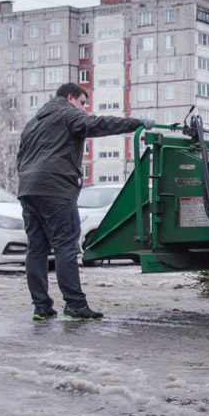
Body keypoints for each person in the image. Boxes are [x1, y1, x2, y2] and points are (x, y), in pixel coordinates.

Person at [17, 82, 154, 320]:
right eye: (82, 103)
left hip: (28, 189)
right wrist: (135, 123)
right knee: (66, 246)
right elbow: (96, 124)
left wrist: (31, 179)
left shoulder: (33, 123)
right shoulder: (67, 113)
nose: (83, 110)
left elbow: (21, 157)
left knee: (36, 249)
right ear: (70, 97)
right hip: (56, 188)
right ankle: (75, 305)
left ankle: (41, 307)